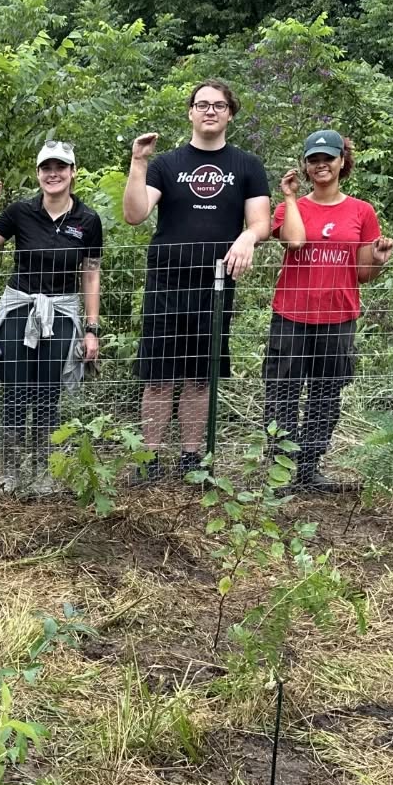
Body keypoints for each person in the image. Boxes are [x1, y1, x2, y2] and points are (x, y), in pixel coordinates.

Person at [123, 80, 271, 483]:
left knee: (199, 375)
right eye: (202, 105)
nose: (210, 111)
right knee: (158, 376)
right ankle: (149, 462)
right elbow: (135, 214)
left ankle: (192, 460)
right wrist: (138, 162)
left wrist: (246, 237)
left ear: (230, 115)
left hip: (218, 283)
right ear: (190, 112)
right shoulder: (166, 164)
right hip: (167, 280)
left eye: (219, 106)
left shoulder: (247, 166)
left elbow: (261, 222)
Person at [0, 139, 104, 495]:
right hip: (19, 311)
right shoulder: (20, 212)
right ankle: (10, 472)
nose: (53, 174)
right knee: (15, 390)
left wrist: (91, 329)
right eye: (47, 168)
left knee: (47, 392)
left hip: (61, 313)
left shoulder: (88, 220)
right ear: (38, 173)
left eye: (61, 167)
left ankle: (43, 471)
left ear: (73, 172)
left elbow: (90, 275)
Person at [266, 129, 393, 489]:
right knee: (282, 391)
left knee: (326, 393)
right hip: (291, 314)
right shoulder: (289, 208)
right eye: (313, 159)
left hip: (339, 317)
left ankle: (309, 469)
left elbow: (364, 274)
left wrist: (380, 259)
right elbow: (294, 240)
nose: (321, 165)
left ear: (342, 162)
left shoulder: (362, 211)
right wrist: (290, 196)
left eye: (328, 158)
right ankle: (279, 471)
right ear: (305, 166)